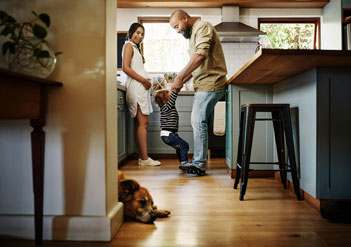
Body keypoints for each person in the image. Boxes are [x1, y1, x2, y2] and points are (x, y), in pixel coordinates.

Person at [169, 10, 227, 176]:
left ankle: (199, 164)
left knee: (197, 120)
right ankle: (198, 162)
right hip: (203, 83)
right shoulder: (193, 33)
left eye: (177, 26)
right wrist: (181, 81)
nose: (178, 31)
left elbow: (200, 56)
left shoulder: (202, 27)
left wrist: (180, 76)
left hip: (211, 82)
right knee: (198, 121)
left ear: (185, 18)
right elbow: (197, 64)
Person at [122, 23, 160, 166]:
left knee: (141, 123)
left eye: (142, 34)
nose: (140, 36)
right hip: (137, 88)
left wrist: (146, 81)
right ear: (131, 32)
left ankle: (142, 158)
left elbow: (134, 68)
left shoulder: (135, 48)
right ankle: (144, 159)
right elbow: (125, 68)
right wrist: (143, 80)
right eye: (137, 32)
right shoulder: (128, 46)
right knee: (142, 123)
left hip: (140, 88)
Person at [152, 88, 189, 167]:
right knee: (184, 145)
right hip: (169, 134)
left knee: (180, 147)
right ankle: (184, 163)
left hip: (169, 134)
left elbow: (172, 99)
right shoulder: (167, 107)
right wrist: (175, 90)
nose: (171, 94)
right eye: (170, 94)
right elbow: (173, 98)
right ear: (165, 100)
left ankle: (183, 163)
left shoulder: (166, 108)